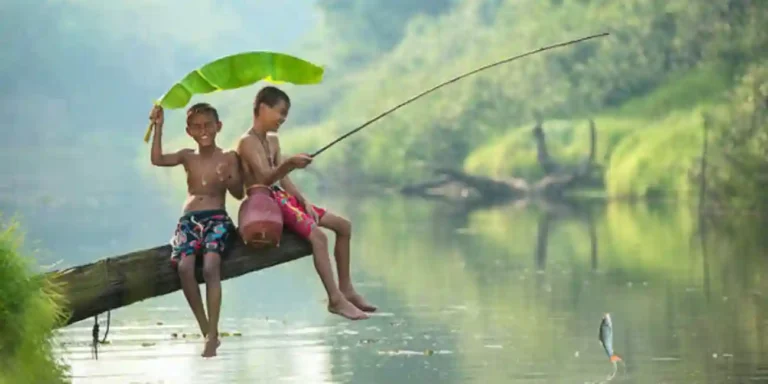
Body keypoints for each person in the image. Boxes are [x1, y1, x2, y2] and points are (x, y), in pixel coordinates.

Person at [236, 86, 377, 321]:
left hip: (283, 197)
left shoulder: (272, 140)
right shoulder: (246, 142)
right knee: (319, 238)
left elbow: (282, 178)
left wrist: (303, 200)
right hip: (266, 201)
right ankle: (334, 299)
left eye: (286, 115)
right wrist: (290, 162)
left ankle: (347, 289)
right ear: (262, 108)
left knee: (344, 226)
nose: (283, 119)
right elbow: (264, 178)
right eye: (280, 112)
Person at [148, 102, 244, 358]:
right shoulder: (186, 155)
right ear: (189, 130)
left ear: (218, 127)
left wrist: (228, 178)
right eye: (197, 127)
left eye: (208, 125)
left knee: (212, 266)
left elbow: (238, 192)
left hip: (216, 218)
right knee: (184, 268)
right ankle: (206, 331)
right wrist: (159, 126)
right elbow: (157, 159)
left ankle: (213, 331)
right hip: (189, 220)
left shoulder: (228, 157)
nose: (203, 131)